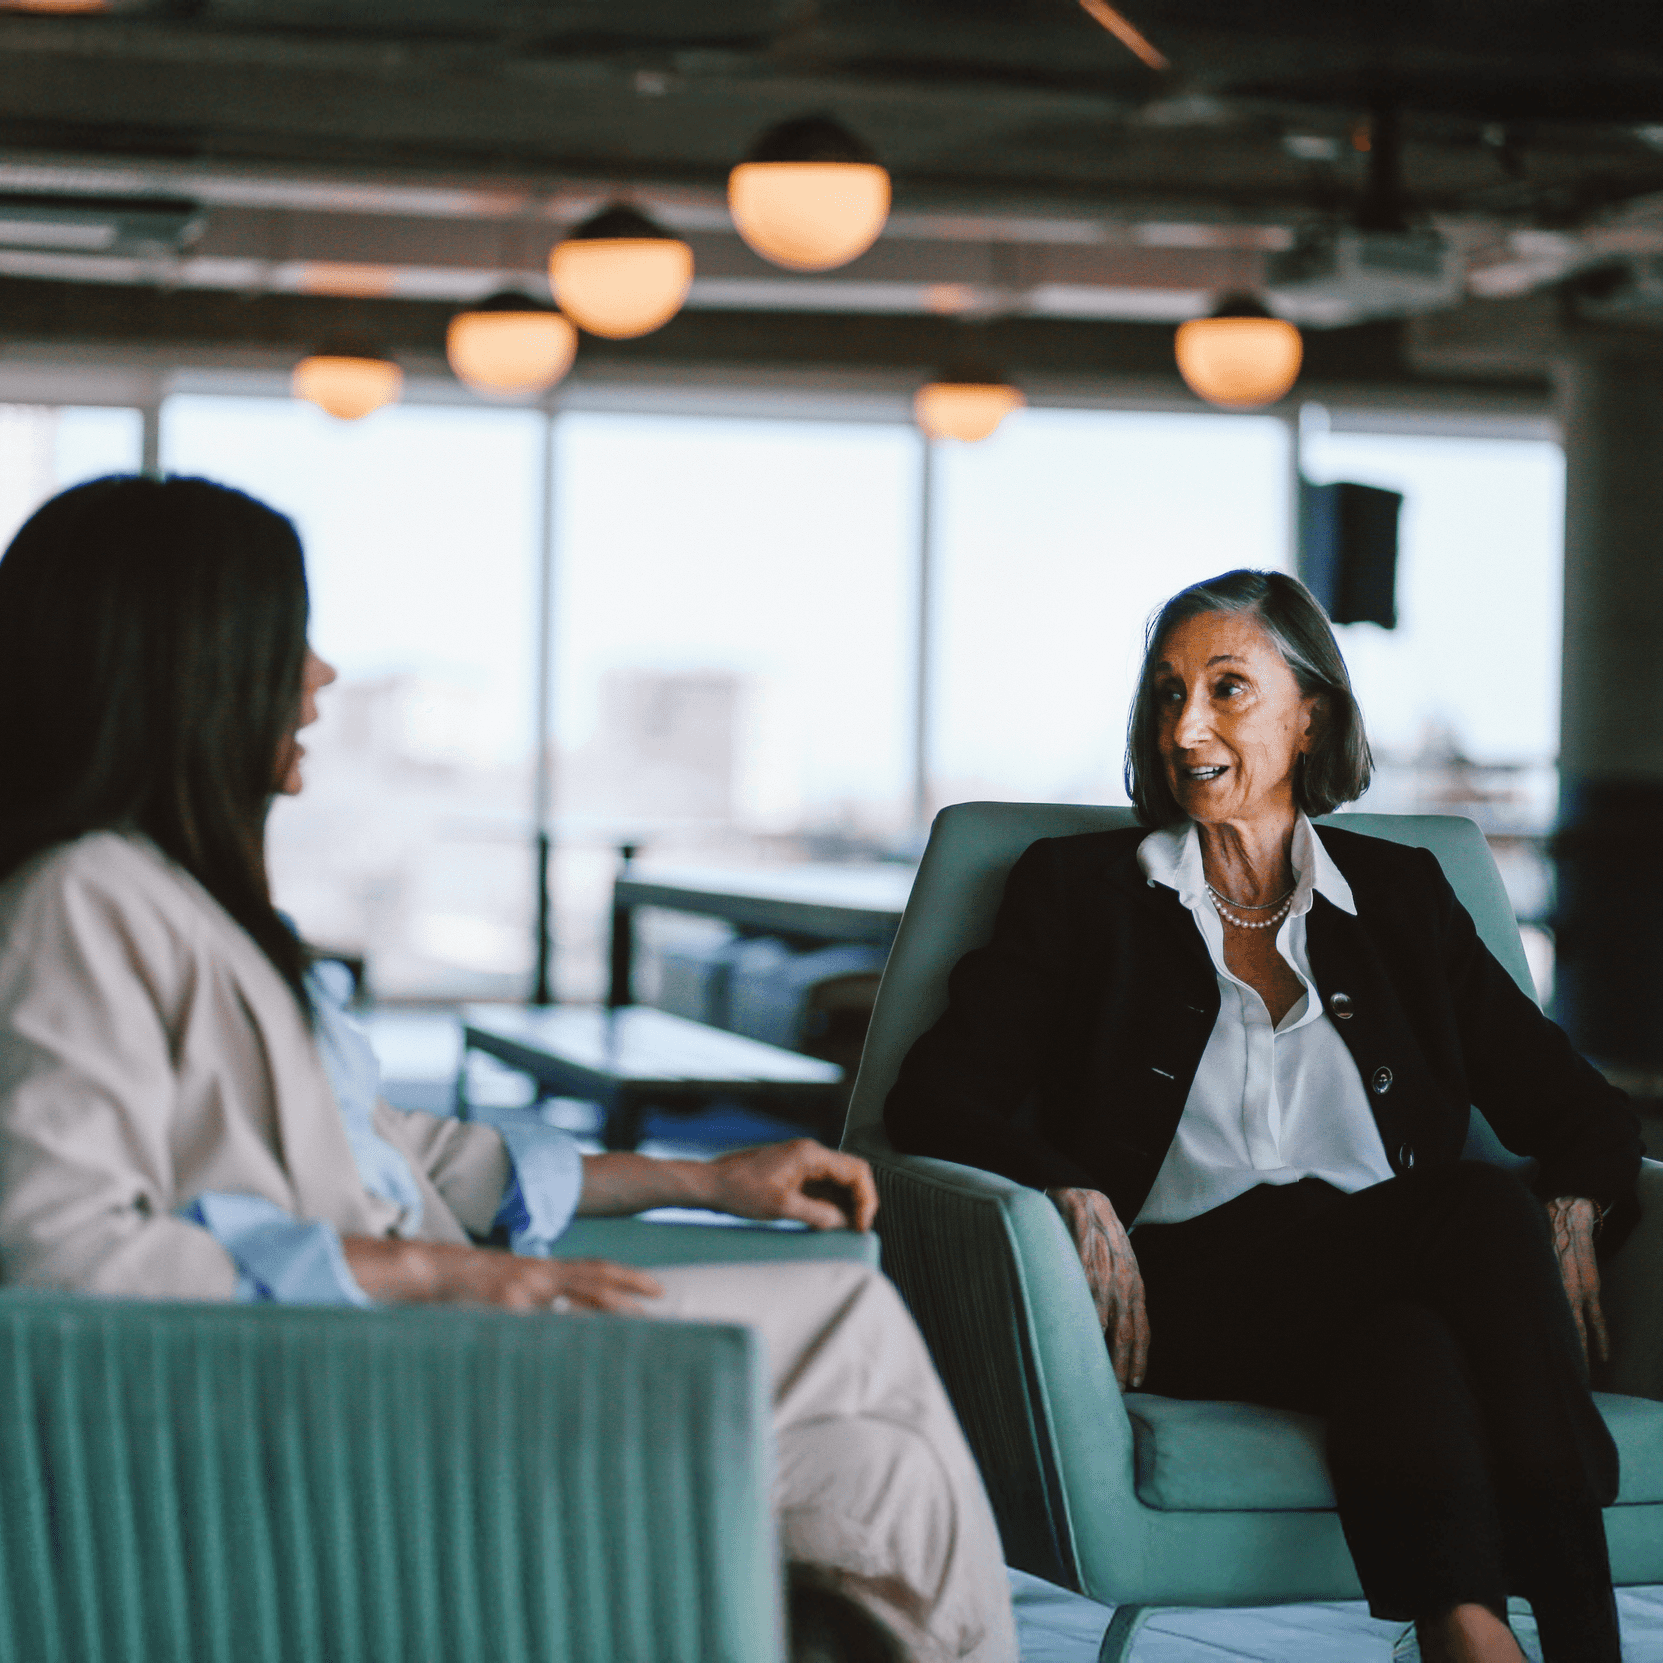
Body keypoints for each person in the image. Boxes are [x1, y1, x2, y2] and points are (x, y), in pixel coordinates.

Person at [0, 474, 1018, 1663]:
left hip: (397, 1372)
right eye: (290, 638)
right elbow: (59, 1258)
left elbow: (407, 1150)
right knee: (848, 1309)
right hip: (344, 1396)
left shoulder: (184, 903)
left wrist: (704, 1182)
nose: (321, 676)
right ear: (188, 665)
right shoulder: (79, 902)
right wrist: (440, 1276)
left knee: (879, 1470)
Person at [885, 568, 1644, 1663]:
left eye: (1226, 688)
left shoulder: (1399, 899)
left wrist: (1575, 1204)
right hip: (1183, 1294)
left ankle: (1470, 1635)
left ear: (1309, 715)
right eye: (1166, 692)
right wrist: (1068, 1183)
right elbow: (936, 1094)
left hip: (1380, 1277)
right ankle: (1588, 1638)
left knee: (1410, 1341)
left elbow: (1575, 1106)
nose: (1184, 724)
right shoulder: (1078, 891)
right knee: (1479, 1213)